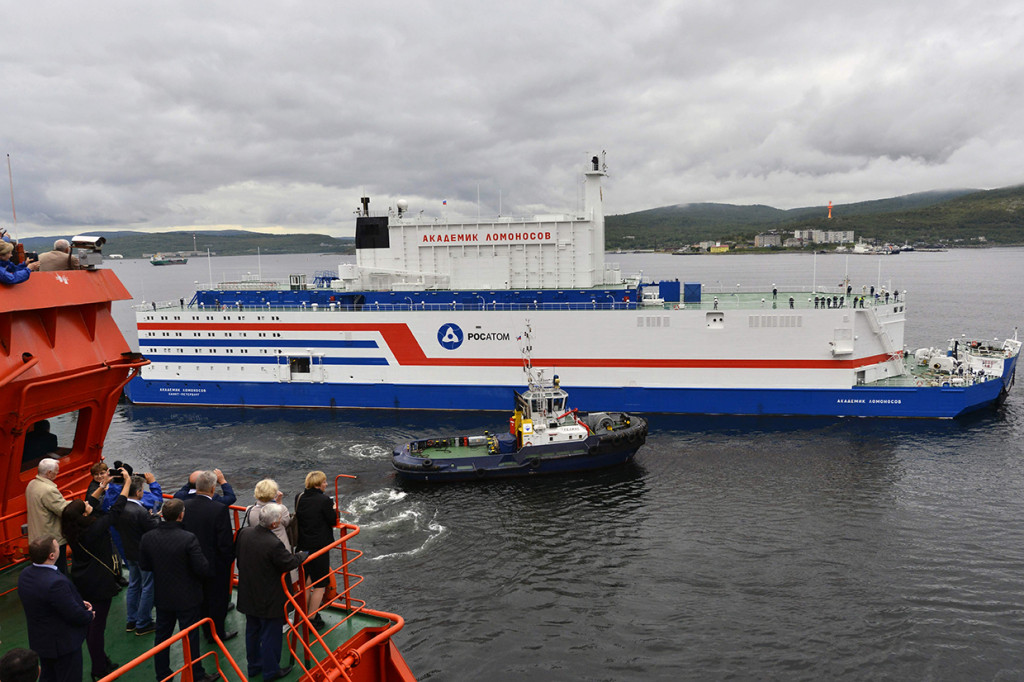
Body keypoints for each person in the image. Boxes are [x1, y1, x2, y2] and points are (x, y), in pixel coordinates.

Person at [60, 468, 130, 681]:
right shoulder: (95, 529)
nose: (89, 503)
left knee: (94, 625)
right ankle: (99, 670)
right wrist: (126, 482)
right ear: (84, 514)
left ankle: (101, 659)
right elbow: (117, 509)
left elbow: (86, 501)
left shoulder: (72, 529)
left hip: (82, 578)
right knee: (96, 628)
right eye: (87, 507)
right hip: (98, 581)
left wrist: (101, 487)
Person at [139, 499, 216, 682]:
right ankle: (196, 674)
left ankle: (163, 674)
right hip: (188, 596)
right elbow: (202, 568)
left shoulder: (148, 537)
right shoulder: (188, 538)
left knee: (162, 637)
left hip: (163, 595)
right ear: (181, 515)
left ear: (163, 515)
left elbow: (145, 565)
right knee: (191, 637)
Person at [235, 503, 307, 680]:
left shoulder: (244, 533)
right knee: (270, 635)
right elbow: (289, 562)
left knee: (252, 631)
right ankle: (271, 671)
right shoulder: (273, 544)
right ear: (274, 524)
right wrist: (302, 555)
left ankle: (254, 667)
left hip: (247, 592)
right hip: (269, 597)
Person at [17, 536, 94, 682]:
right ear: (51, 556)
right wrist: (89, 615)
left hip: (41, 643)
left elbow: (44, 600)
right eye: (57, 546)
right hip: (63, 646)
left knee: (48, 676)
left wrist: (74, 601)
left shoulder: (25, 574)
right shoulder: (55, 582)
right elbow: (74, 615)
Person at [182, 471, 237, 642]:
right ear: (213, 489)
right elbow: (225, 540)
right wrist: (228, 561)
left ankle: (203, 628)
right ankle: (216, 633)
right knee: (217, 601)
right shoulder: (219, 509)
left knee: (200, 599)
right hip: (215, 565)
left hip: (192, 561)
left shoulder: (184, 505)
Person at [116, 474, 160, 637]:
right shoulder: (140, 512)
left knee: (134, 585)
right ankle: (143, 622)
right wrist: (155, 516)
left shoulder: (120, 509)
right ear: (140, 492)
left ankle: (132, 620)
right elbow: (153, 528)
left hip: (129, 552)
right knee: (148, 586)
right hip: (144, 554)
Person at [295, 470, 337, 629]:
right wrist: (334, 508)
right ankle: (311, 618)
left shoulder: (299, 497)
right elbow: (332, 520)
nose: (326, 484)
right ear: (318, 484)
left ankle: (304, 613)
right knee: (320, 583)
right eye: (324, 482)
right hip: (319, 547)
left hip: (303, 546)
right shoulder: (324, 500)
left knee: (306, 582)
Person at [242, 479, 298, 583]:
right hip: (280, 550)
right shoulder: (281, 509)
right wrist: (280, 503)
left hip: (259, 550)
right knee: (286, 582)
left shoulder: (250, 510)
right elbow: (286, 522)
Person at [26, 458, 71, 574]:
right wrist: (80, 505)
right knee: (59, 571)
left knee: (41, 572)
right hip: (51, 540)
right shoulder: (48, 490)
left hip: (36, 538)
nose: (58, 473)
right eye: (56, 471)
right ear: (49, 473)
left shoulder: (31, 484)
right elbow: (64, 510)